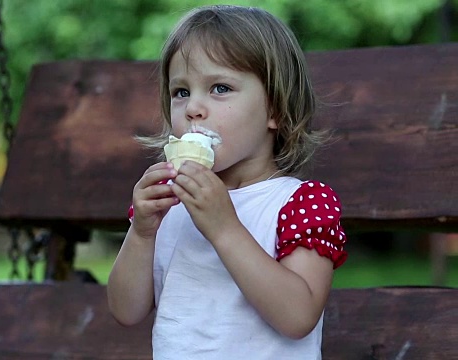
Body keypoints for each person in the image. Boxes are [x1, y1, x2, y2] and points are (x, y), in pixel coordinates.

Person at [107, 5, 348, 359]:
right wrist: (142, 233)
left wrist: (223, 228)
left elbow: (298, 316)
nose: (193, 108)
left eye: (219, 88)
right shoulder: (169, 204)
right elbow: (126, 310)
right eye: (181, 92)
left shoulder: (299, 204)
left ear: (274, 110)